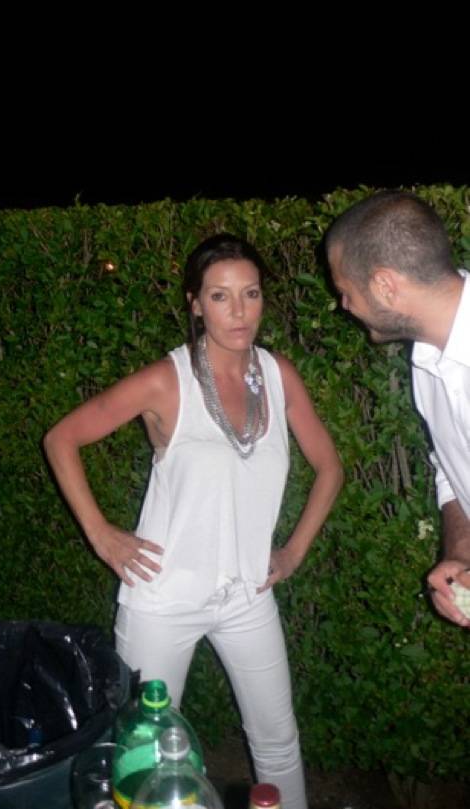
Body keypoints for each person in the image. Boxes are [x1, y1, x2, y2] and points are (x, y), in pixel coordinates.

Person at [44, 233, 343, 809]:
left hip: (248, 594)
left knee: (278, 741)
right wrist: (102, 536)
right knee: (144, 758)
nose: (239, 311)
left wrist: (293, 552)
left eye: (251, 293)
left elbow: (329, 467)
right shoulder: (167, 380)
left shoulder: (277, 375)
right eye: (220, 296)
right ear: (196, 304)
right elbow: (62, 438)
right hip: (163, 599)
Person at [325, 191, 470, 628]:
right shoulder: (427, 358)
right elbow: (452, 468)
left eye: (345, 290)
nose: (344, 305)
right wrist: (460, 552)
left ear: (385, 286)